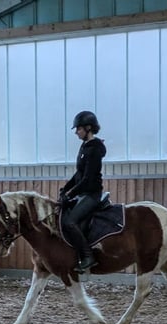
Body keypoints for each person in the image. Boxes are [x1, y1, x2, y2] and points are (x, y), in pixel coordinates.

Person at [59, 110, 106, 273]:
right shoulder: (85, 146)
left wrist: (70, 194)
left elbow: (87, 179)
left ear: (88, 128)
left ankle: (87, 257)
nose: (76, 132)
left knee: (69, 222)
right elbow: (78, 174)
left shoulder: (94, 149)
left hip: (92, 194)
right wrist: (65, 189)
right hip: (83, 193)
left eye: (78, 129)